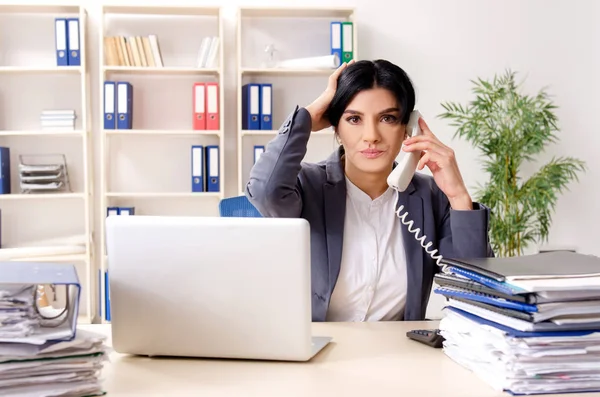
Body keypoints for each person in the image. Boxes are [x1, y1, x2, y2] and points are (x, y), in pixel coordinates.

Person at [245, 59, 493, 322]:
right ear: (336, 128)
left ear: (407, 128)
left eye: (387, 118)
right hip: (315, 351)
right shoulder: (307, 185)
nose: (371, 135)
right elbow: (264, 192)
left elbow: (479, 296)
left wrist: (458, 197)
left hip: (396, 355)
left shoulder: (431, 197)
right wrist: (305, 119)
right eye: (354, 119)